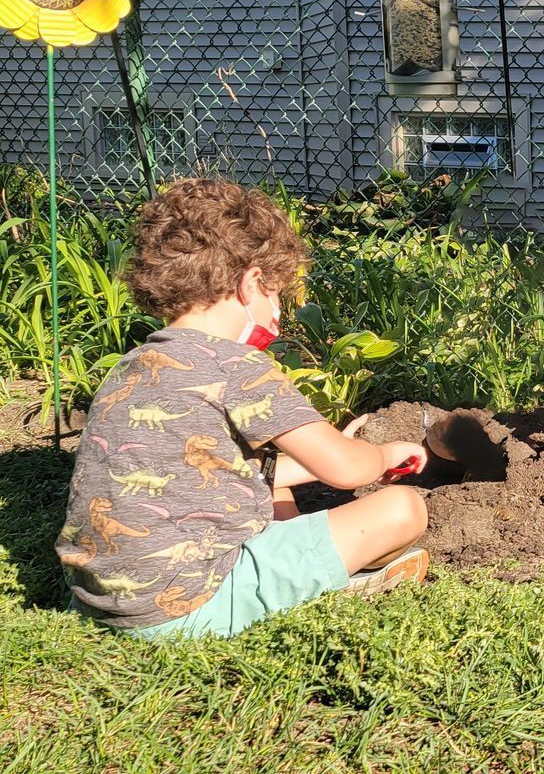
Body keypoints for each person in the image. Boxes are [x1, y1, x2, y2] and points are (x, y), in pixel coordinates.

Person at [55, 179, 430, 639]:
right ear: (251, 282)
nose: (278, 313)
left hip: (102, 600)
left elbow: (222, 470)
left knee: (272, 491)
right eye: (277, 296)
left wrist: (316, 462)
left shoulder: (132, 366)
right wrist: (383, 454)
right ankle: (320, 587)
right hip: (191, 606)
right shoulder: (236, 365)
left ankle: (305, 568)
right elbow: (349, 472)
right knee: (401, 509)